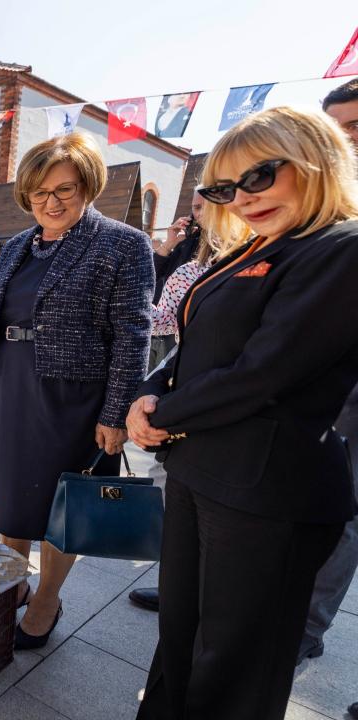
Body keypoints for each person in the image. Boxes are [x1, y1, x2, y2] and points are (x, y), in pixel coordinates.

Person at [126, 106, 358, 720]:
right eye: (225, 188)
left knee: (234, 668)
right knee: (179, 639)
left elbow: (264, 371)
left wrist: (164, 412)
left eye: (261, 176)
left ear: (316, 163)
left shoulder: (342, 247)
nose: (243, 198)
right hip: (201, 471)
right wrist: (148, 392)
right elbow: (194, 342)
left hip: (270, 495)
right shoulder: (250, 249)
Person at [0, 131, 153, 649]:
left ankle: (46, 600)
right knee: (12, 501)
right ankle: (15, 584)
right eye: (39, 193)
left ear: (88, 187)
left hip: (74, 399)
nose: (50, 203)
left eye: (64, 191)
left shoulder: (122, 243)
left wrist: (116, 413)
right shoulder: (20, 245)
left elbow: (132, 333)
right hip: (11, 386)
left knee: (61, 510)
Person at [296, 80, 358, 666]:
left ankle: (305, 629)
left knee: (344, 510)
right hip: (304, 378)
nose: (344, 141)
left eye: (356, 128)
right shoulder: (320, 206)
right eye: (334, 130)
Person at [149, 190, 206, 367]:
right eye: (196, 207)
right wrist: (169, 243)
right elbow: (150, 276)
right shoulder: (187, 242)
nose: (201, 213)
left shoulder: (228, 246)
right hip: (160, 326)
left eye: (208, 206)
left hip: (187, 333)